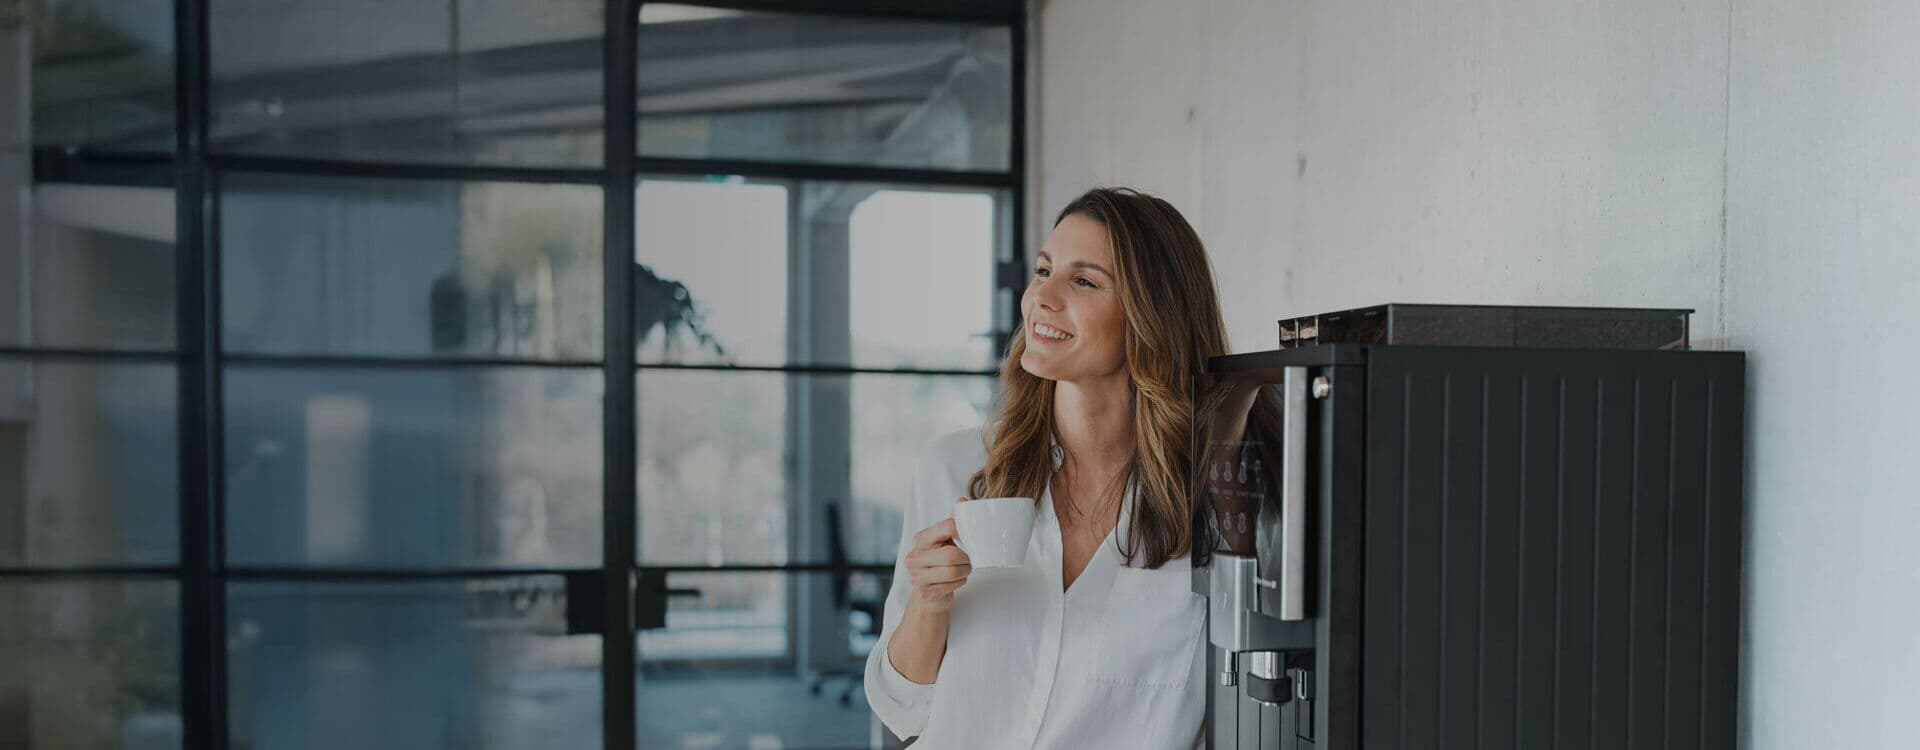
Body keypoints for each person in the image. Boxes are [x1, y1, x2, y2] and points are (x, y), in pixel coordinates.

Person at [864, 187, 1236, 749]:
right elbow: (902, 706)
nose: (1041, 297)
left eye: (1083, 281)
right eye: (1043, 270)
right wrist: (928, 601)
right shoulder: (956, 469)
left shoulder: (1208, 503)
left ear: (1150, 314)